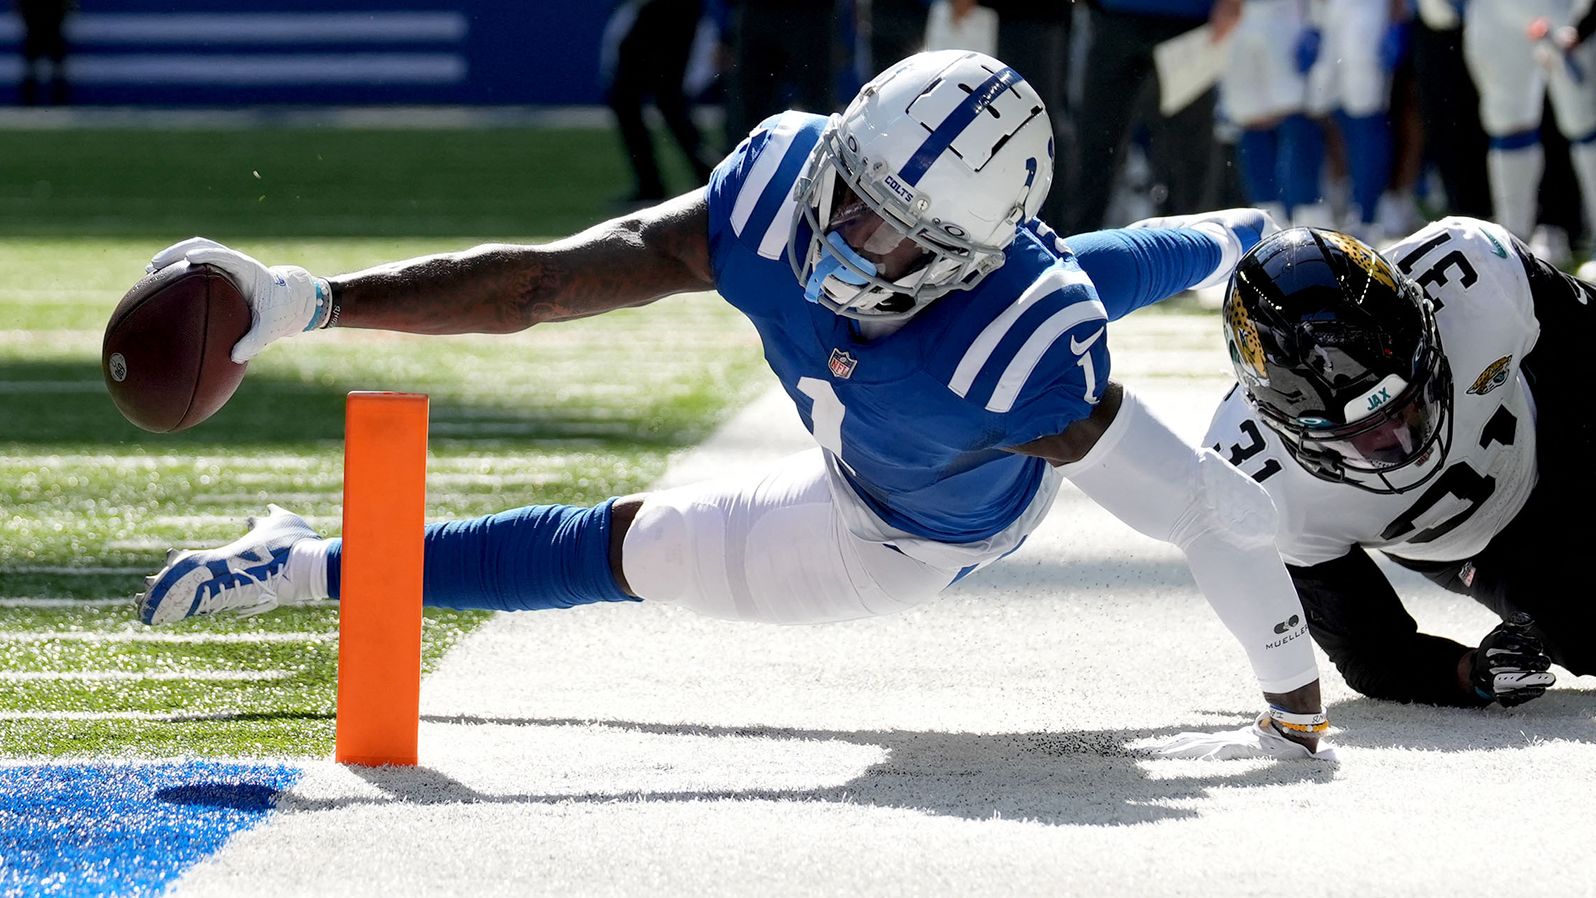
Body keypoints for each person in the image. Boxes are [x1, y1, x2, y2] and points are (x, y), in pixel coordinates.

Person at [135, 51, 1332, 759]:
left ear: (963, 260)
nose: (851, 242)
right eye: (852, 197)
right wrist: (312, 301)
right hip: (954, 358)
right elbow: (549, 280)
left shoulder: (1013, 351)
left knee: (627, 550)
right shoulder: (773, 188)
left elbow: (1198, 506)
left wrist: (1293, 696)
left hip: (907, 529)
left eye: (897, 239)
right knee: (1092, 264)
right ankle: (1241, 228)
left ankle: (302, 567)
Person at [1205, 218, 1596, 708]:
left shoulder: (1472, 275)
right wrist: (1470, 672)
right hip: (1496, 554)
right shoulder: (1255, 483)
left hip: (1560, 429)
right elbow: (1369, 648)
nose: (1398, 438)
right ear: (1284, 426)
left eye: (1407, 404)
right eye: (1360, 435)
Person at [1461, 0, 1596, 254]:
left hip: (1563, 9)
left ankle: (1573, 231)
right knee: (1508, 119)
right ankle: (1511, 245)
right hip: (1494, 9)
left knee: (1584, 120)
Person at [601, 0, 716, 206]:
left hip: (675, 11)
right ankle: (652, 184)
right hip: (653, 10)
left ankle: (709, 177)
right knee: (627, 98)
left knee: (668, 101)